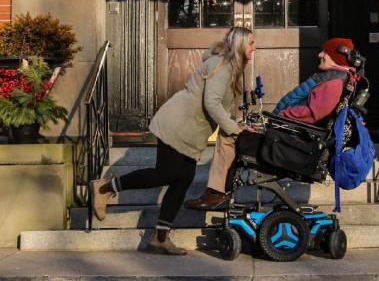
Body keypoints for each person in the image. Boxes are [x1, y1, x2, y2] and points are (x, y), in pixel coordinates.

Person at [91, 26, 256, 255]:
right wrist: (234, 128)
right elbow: (212, 103)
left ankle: (160, 237)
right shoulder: (225, 67)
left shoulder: (229, 68)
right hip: (177, 124)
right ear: (239, 45)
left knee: (183, 178)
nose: (253, 48)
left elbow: (217, 104)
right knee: (165, 174)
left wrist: (236, 124)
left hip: (189, 130)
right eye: (251, 43)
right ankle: (105, 187)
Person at [184, 37, 355, 211]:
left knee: (229, 135)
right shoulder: (336, 79)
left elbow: (312, 114)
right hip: (291, 134)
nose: (320, 54)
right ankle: (220, 193)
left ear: (336, 56)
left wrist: (277, 118)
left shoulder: (333, 83)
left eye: (325, 52)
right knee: (238, 130)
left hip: (292, 143)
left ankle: (217, 194)